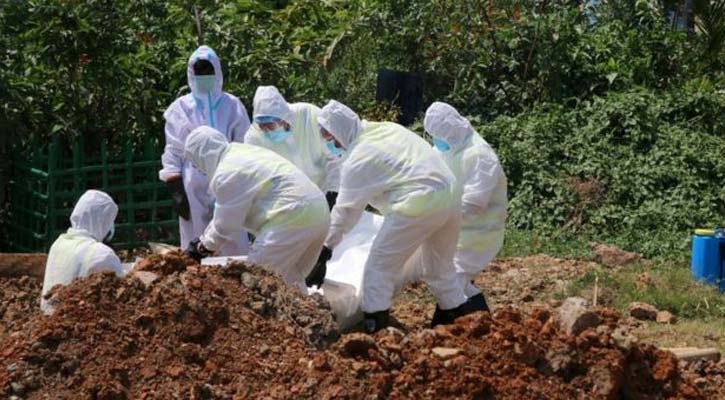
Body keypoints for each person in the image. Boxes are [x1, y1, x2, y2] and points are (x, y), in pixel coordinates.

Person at [315, 100, 480, 333]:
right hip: (450, 198)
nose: (330, 144)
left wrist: (325, 249)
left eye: (329, 138)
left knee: (378, 269)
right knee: (440, 269)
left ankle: (377, 328)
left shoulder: (359, 157)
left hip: (418, 204)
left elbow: (346, 211)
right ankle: (467, 326)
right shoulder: (386, 129)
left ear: (339, 131)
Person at [183, 126, 330, 290]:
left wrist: (203, 247)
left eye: (195, 162)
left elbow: (226, 224)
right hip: (319, 212)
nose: (198, 168)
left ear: (201, 155)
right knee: (290, 278)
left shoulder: (226, 173)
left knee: (256, 280)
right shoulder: (243, 153)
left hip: (292, 216)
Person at [159, 45, 251, 255]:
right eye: (199, 71)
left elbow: (244, 142)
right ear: (191, 73)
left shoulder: (232, 105)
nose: (204, 76)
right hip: (194, 183)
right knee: (197, 241)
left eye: (208, 70)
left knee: (232, 233)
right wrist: (175, 186)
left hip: (229, 177)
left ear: (217, 71)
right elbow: (173, 149)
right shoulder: (180, 108)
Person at [424, 102, 508, 311]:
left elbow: (474, 203)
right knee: (449, 277)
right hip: (455, 226)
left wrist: (438, 220)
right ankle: (478, 317)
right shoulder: (449, 148)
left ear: (451, 132)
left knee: (450, 277)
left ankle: (451, 322)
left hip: (479, 230)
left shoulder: (480, 156)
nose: (436, 141)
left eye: (439, 137)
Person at [245, 86, 340, 209]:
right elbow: (258, 175)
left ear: (284, 119)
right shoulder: (254, 137)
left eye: (270, 126)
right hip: (286, 202)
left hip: (323, 191)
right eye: (262, 127)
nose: (267, 131)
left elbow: (333, 158)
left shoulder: (309, 115)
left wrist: (334, 192)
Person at [41, 190, 124, 314]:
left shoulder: (59, 243)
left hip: (46, 317)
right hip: (77, 321)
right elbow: (124, 293)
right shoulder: (103, 255)